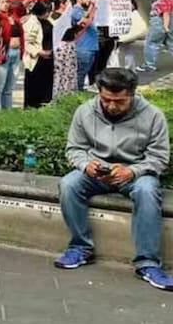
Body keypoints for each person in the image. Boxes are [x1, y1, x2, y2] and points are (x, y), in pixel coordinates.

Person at [55, 68, 172, 291]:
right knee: (69, 184)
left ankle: (148, 263)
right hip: (96, 172)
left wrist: (133, 171)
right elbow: (75, 148)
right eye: (106, 99)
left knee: (147, 191)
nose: (111, 106)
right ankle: (81, 248)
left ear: (132, 95)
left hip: (135, 174)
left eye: (119, 101)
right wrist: (85, 165)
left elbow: (159, 157)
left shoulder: (153, 115)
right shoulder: (85, 112)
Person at [22, 1, 55, 109]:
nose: (48, 14)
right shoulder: (31, 22)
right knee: (34, 88)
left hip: (48, 59)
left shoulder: (49, 21)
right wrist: (39, 52)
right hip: (36, 60)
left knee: (46, 87)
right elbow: (26, 42)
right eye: (47, 12)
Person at [139, 0, 173, 72]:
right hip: (166, 22)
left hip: (159, 22)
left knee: (151, 43)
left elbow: (166, 13)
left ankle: (149, 65)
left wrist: (166, 27)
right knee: (171, 43)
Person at [69, 0, 99, 91]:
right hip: (83, 47)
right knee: (80, 73)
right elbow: (85, 23)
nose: (89, 0)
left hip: (90, 47)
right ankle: (77, 92)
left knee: (84, 71)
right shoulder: (76, 11)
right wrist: (92, 7)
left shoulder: (84, 10)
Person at [90, 0, 117, 85]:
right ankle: (93, 80)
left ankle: (101, 80)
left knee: (105, 58)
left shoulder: (113, 2)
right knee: (96, 59)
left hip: (109, 34)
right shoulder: (93, 1)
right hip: (97, 33)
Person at [116, 0, 147, 71]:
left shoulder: (125, 4)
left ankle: (126, 69)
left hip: (123, 29)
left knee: (121, 51)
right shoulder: (134, 3)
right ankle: (130, 69)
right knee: (128, 50)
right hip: (130, 31)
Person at [53, 26, 80, 99]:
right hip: (69, 71)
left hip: (59, 71)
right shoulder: (71, 45)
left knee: (59, 84)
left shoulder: (59, 45)